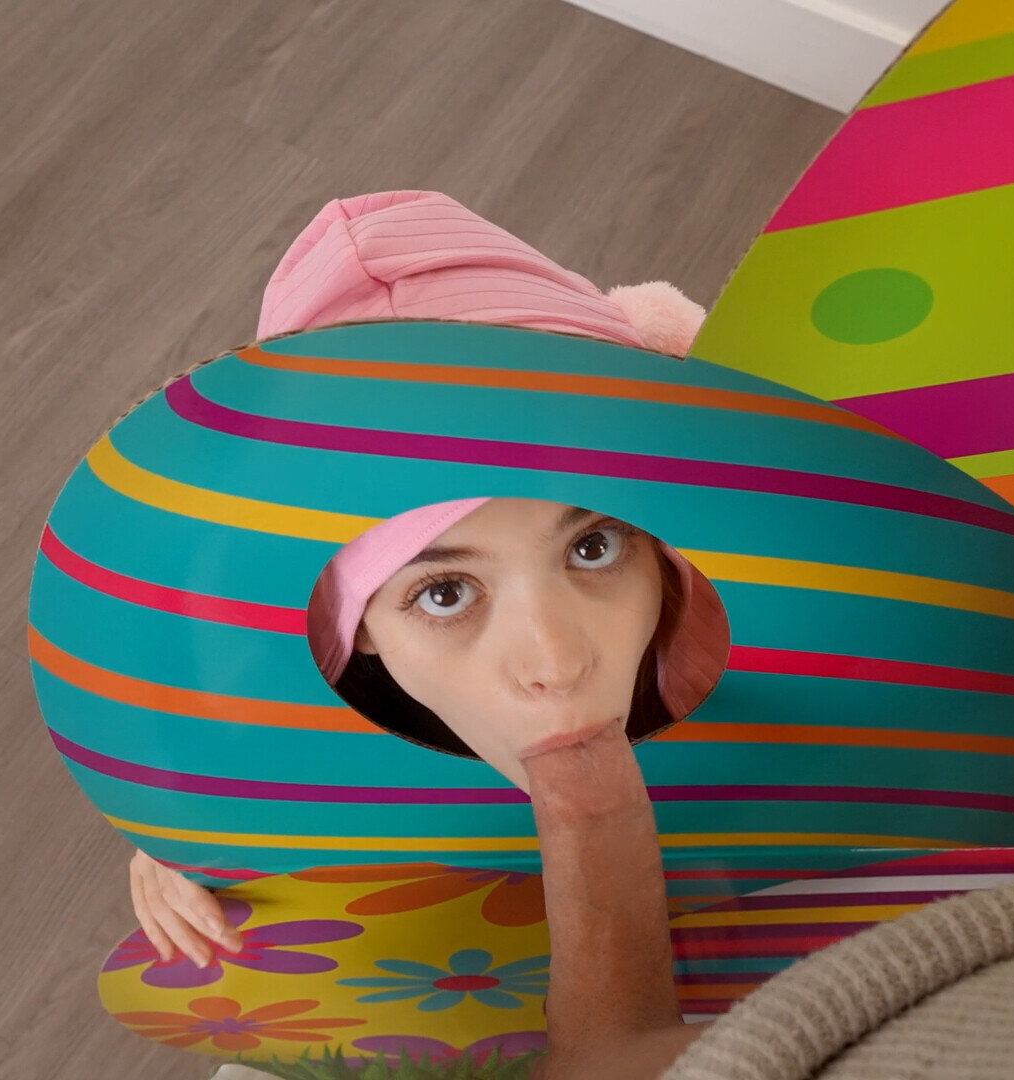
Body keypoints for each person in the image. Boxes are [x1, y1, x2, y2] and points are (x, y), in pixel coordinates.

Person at [129, 189, 716, 970]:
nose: (556, 662)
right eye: (445, 594)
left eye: (594, 546)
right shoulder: (307, 769)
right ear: (356, 626)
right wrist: (191, 844)